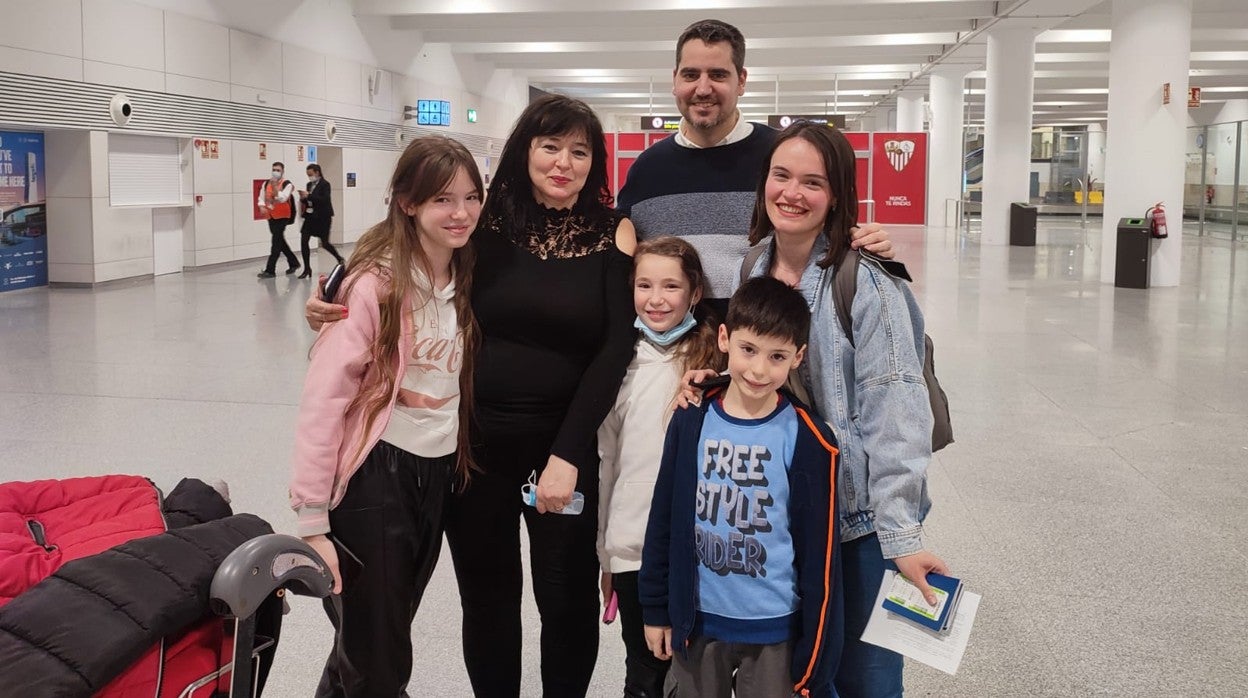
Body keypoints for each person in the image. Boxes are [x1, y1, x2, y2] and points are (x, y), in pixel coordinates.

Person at [308, 93, 638, 696]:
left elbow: (615, 349)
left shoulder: (612, 233)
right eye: (549, 146)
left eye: (579, 150)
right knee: (488, 599)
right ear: (524, 150)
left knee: (564, 599)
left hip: (564, 449)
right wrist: (333, 288)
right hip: (473, 447)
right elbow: (404, 252)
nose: (563, 162)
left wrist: (567, 454)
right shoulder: (482, 223)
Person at [738, 121, 948, 698]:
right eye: (781, 175)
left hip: (855, 521)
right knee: (803, 674)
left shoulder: (868, 280)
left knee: (868, 679)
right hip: (783, 515)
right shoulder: (753, 265)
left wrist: (902, 535)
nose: (792, 193)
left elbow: (897, 411)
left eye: (814, 182)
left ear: (836, 196)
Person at [288, 136, 482, 697]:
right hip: (377, 477)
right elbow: (324, 399)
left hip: (440, 475)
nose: (462, 213)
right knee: (380, 658)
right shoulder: (374, 283)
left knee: (370, 637)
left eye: (472, 197)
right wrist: (312, 518)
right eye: (444, 199)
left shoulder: (469, 276)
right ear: (408, 202)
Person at [639, 276, 844, 698]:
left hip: (774, 630)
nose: (758, 369)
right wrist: (657, 609)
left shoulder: (810, 439)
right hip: (697, 622)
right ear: (725, 338)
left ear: (798, 357)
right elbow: (664, 518)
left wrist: (814, 659)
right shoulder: (691, 416)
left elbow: (821, 557)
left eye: (777, 356)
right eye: (748, 349)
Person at [617, 18, 894, 316]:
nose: (703, 87)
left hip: (764, 351)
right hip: (675, 351)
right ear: (675, 80)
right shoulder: (646, 169)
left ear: (742, 81)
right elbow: (629, 263)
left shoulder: (782, 158)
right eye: (690, 74)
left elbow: (832, 235)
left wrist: (867, 241)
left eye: (718, 74)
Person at [597, 236, 723, 697]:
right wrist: (606, 554)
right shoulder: (618, 364)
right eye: (644, 285)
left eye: (671, 286)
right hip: (634, 551)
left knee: (699, 674)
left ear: (695, 294)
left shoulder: (716, 368)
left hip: (701, 553)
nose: (655, 299)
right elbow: (608, 463)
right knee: (645, 670)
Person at [297, 163, 343, 278]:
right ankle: (307, 268)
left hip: (323, 218)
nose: (309, 177)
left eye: (311, 174)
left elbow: (324, 200)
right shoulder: (309, 185)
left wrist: (309, 196)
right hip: (310, 217)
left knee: (325, 243)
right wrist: (303, 199)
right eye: (308, 175)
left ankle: (339, 258)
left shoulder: (325, 184)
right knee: (304, 241)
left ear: (317, 172)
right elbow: (309, 201)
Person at [257, 161, 300, 278]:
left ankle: (270, 270)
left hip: (283, 216)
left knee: (275, 242)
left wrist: (276, 188)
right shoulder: (266, 183)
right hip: (270, 215)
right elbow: (261, 197)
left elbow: (282, 198)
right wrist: (261, 206)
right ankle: (294, 262)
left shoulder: (287, 184)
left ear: (283, 172)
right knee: (279, 240)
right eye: (274, 169)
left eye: (278, 170)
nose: (275, 172)